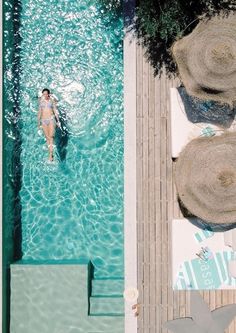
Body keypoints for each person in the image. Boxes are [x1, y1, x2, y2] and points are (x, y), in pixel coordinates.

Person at [38, 88, 61, 161]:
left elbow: (55, 110)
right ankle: (50, 153)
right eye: (43, 94)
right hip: (44, 121)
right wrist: (38, 123)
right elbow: (39, 113)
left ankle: (50, 155)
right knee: (47, 138)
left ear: (48, 94)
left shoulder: (52, 100)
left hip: (51, 119)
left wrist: (58, 121)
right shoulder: (41, 102)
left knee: (51, 136)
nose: (45, 95)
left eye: (46, 94)